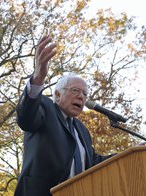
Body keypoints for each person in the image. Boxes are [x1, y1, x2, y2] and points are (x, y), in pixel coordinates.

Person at [14, 35, 114, 196]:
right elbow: (25, 118)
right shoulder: (45, 108)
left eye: (84, 93)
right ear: (58, 95)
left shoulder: (82, 130)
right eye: (75, 91)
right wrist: (38, 77)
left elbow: (94, 163)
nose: (81, 96)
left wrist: (130, 154)